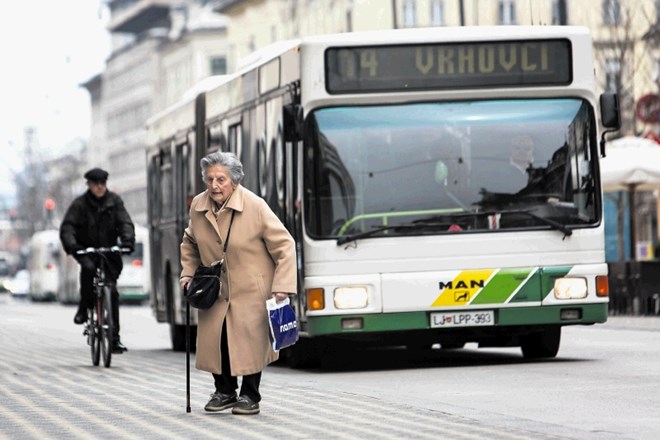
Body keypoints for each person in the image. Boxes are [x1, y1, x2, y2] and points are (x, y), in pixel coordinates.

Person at [179, 151, 297, 416]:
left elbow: (285, 245)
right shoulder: (199, 206)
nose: (214, 185)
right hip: (214, 287)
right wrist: (187, 273)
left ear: (234, 181)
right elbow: (189, 241)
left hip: (251, 287)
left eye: (221, 179)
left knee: (251, 342)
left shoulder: (255, 205)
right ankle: (224, 391)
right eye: (209, 179)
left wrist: (283, 285)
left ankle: (250, 395)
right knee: (216, 341)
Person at [60, 167, 135, 354]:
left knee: (112, 291)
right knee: (88, 269)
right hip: (86, 249)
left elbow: (125, 222)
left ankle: (114, 338)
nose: (100, 187)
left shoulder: (114, 201)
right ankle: (84, 307)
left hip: (108, 250)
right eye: (96, 184)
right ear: (89, 185)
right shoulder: (79, 205)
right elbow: (67, 228)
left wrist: (127, 241)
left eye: (103, 184)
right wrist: (73, 246)